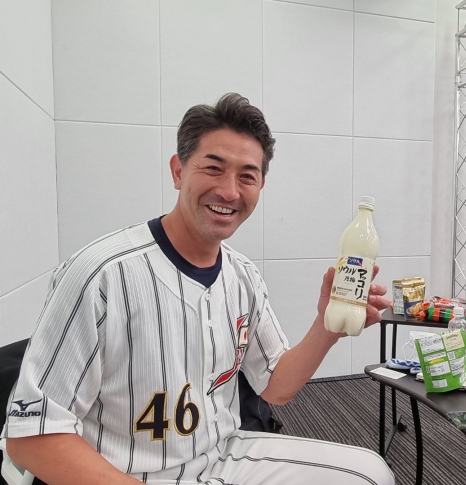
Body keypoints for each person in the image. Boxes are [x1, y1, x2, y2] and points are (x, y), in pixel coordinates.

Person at [2, 93, 395, 485]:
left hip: (220, 456)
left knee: (371, 474)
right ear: (178, 171)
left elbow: (275, 387)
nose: (229, 191)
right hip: (125, 472)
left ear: (260, 185)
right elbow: (31, 438)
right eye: (213, 168)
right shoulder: (100, 273)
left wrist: (327, 326)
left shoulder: (243, 276)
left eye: (247, 176)